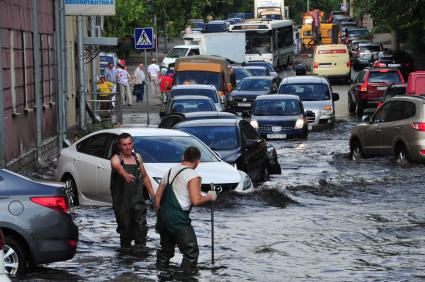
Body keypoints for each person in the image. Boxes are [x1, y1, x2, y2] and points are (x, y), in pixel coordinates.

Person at [155, 147, 217, 274]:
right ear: (197, 161)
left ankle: (161, 275)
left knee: (165, 252)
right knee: (191, 252)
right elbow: (196, 200)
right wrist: (210, 196)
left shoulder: (169, 171)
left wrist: (160, 217)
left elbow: (157, 198)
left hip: (163, 216)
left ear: (183, 157)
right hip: (178, 218)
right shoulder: (193, 175)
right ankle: (184, 278)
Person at [110, 133, 155, 248]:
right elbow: (115, 165)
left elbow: (144, 176)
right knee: (126, 234)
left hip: (138, 201)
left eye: (130, 144)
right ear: (120, 146)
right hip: (122, 204)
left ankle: (141, 259)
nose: (128, 147)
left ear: (133, 143)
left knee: (141, 230)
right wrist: (125, 174)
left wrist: (153, 195)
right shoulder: (117, 158)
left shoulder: (137, 158)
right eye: (124, 145)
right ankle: (125, 259)